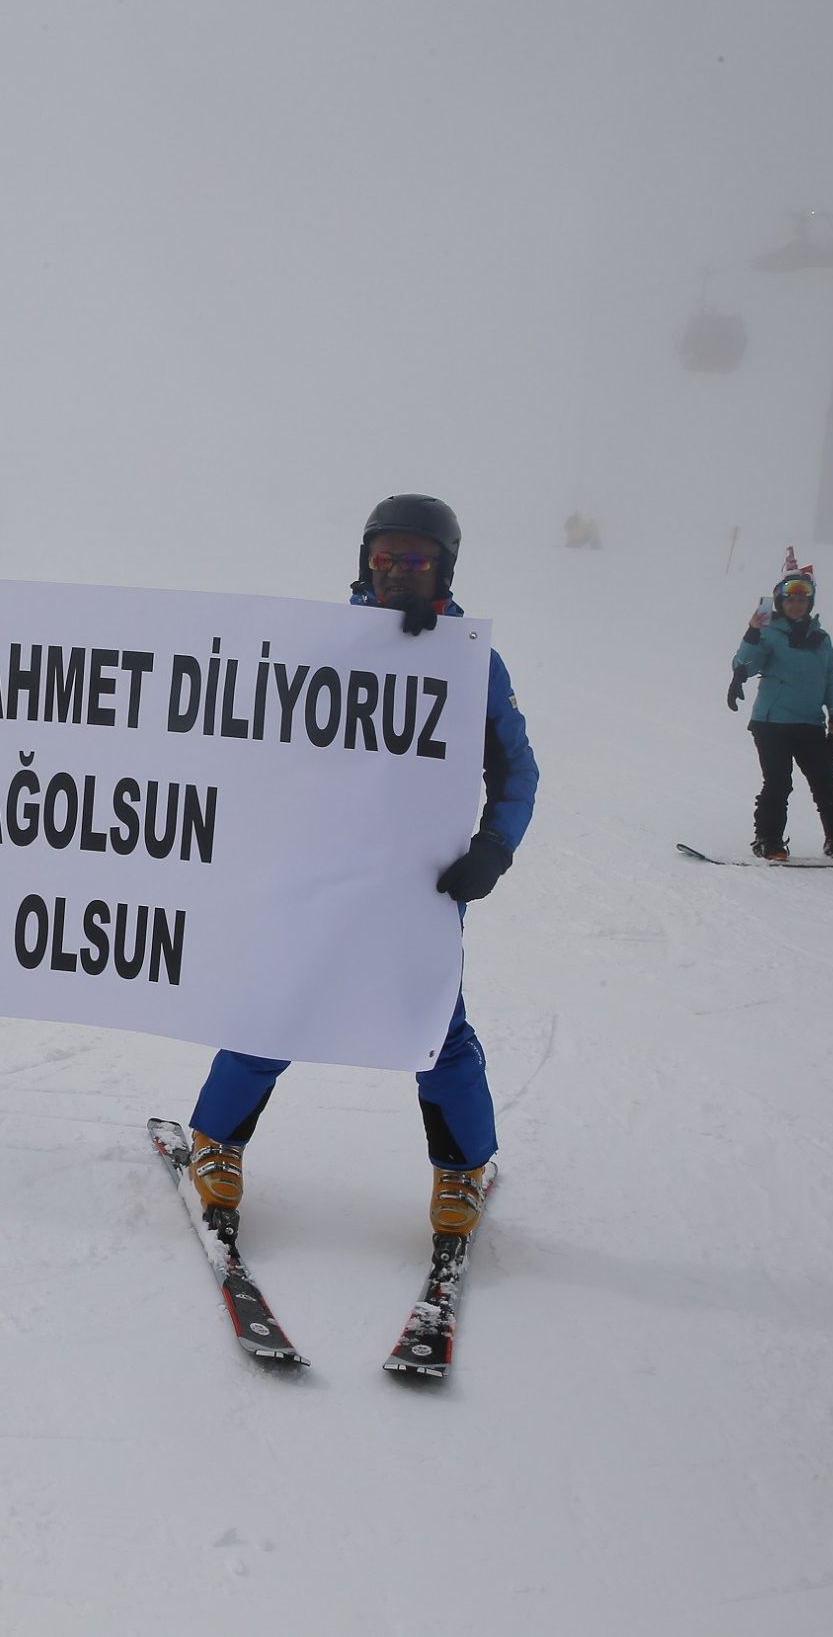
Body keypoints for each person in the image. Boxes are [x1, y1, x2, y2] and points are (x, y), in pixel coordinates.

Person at [182, 494, 537, 1247]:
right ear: (363, 562)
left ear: (443, 566)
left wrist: (494, 848)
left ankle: (462, 1166)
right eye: (385, 558)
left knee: (431, 1021)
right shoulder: (326, 642)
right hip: (320, 871)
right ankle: (216, 1139)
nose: (398, 572)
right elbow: (253, 735)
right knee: (283, 996)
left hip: (421, 884)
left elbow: (517, 768)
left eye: (416, 560)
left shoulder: (469, 657)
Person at [729, 571, 833, 861]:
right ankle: (767, 841)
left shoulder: (821, 638)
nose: (797, 605)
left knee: (826, 782)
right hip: (771, 723)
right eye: (791, 599)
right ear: (780, 601)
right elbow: (745, 666)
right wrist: (752, 632)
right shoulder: (768, 632)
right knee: (778, 783)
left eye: (803, 600)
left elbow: (831, 679)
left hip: (809, 723)